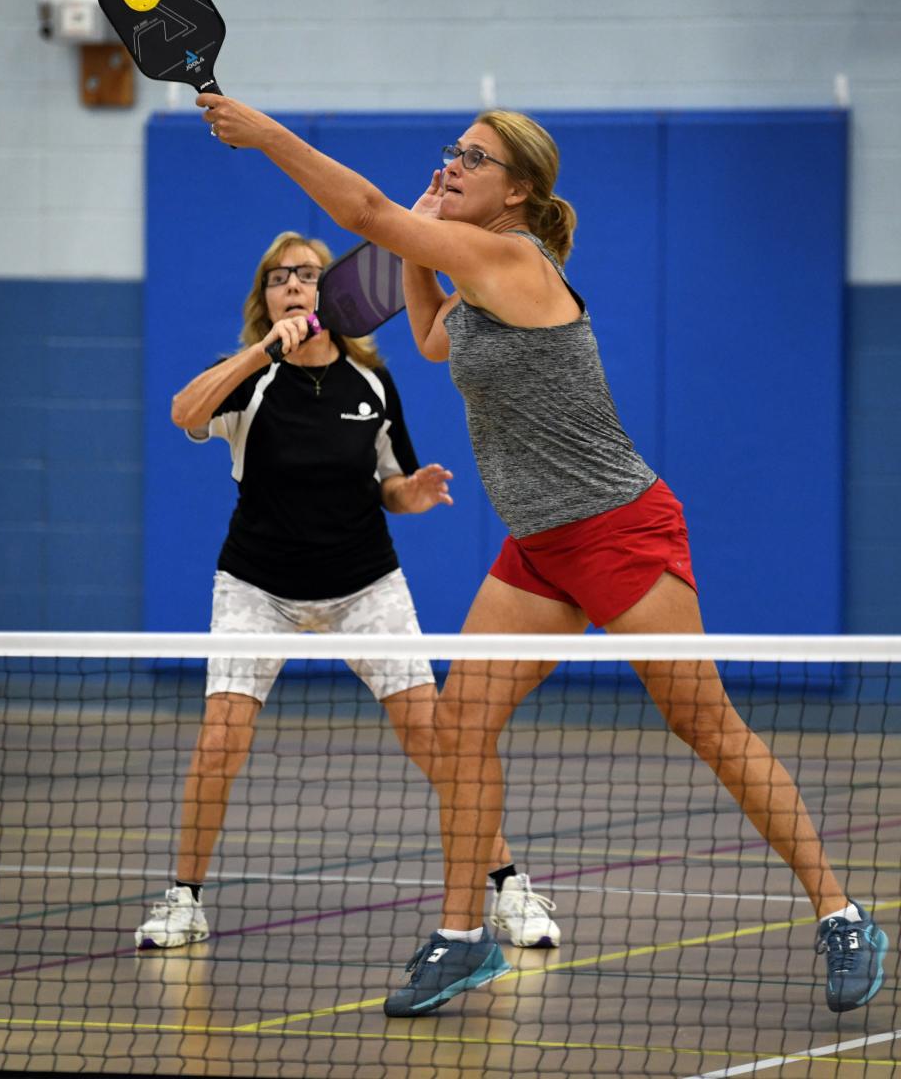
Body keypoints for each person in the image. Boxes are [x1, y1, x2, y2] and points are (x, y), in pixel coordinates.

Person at [194, 99, 888, 1017]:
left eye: (472, 159)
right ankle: (462, 937)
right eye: (451, 151)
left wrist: (269, 136)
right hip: (538, 547)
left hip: (617, 528)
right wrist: (424, 236)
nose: (453, 163)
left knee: (706, 727)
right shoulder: (474, 280)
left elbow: (362, 213)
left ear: (517, 192)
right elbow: (436, 341)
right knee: (459, 730)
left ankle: (841, 914)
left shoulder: (515, 261)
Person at [134, 230, 560, 953]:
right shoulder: (249, 378)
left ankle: (508, 887)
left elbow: (388, 482)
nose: (293, 285)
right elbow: (185, 414)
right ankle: (185, 899)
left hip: (364, 583)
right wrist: (263, 350)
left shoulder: (372, 383)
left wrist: (411, 494)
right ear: (264, 296)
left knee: (436, 737)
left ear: (333, 293)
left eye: (307, 275)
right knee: (220, 739)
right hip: (257, 586)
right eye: (278, 276)